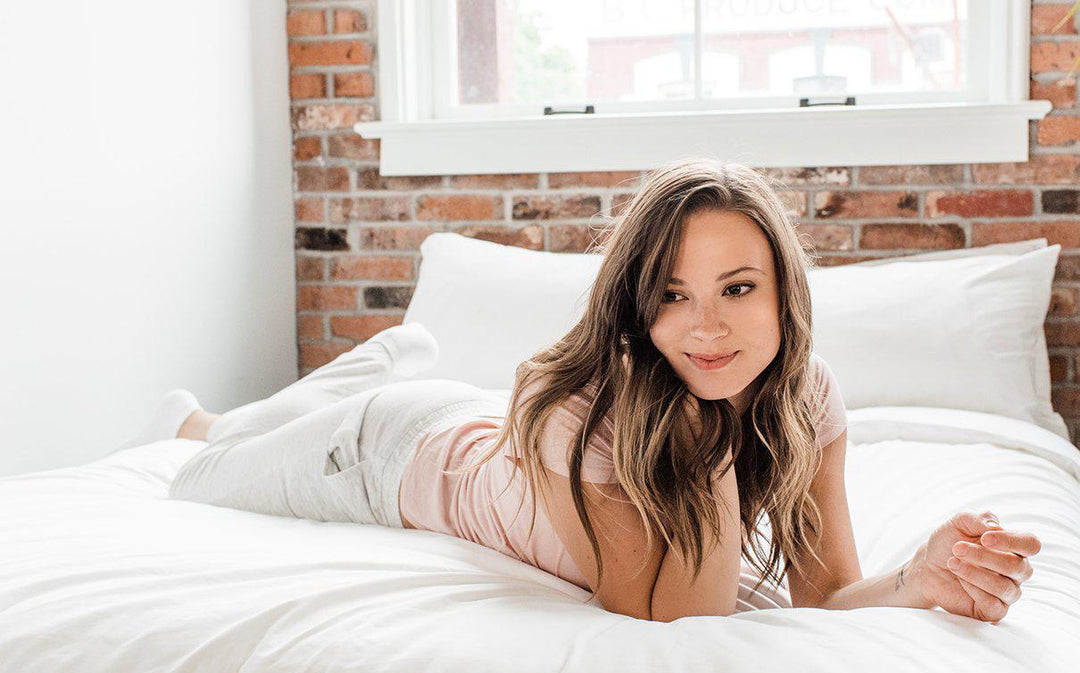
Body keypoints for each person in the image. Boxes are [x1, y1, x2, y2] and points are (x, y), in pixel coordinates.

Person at [130, 158, 1039, 623]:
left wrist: (915, 578)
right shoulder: (587, 409)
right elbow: (686, 615)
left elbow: (827, 594)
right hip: (387, 453)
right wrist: (712, 431)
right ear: (638, 309)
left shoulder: (806, 397)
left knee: (249, 436)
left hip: (458, 426)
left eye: (737, 289)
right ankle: (223, 416)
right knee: (198, 469)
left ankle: (378, 358)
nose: (707, 328)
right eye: (671, 296)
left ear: (785, 291)